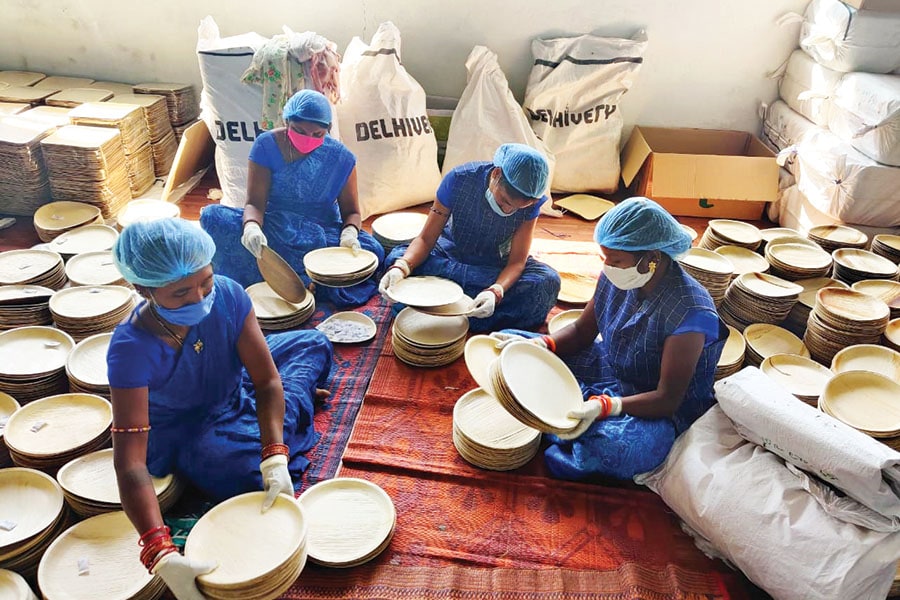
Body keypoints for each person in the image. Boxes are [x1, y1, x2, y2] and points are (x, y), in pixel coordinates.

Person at [106, 218, 332, 600]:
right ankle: (290, 410)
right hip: (188, 430)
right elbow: (130, 463)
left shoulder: (226, 295)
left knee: (313, 342)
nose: (199, 299)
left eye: (205, 282)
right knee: (245, 471)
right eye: (179, 294)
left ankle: (282, 420)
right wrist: (159, 549)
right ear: (142, 287)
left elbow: (265, 381)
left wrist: (274, 454)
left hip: (234, 384)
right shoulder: (130, 348)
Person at [493, 197, 727, 481]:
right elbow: (581, 332)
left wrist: (606, 406)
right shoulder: (618, 275)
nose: (607, 266)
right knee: (510, 344)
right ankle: (559, 417)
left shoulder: (692, 312)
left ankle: (549, 412)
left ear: (652, 259)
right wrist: (543, 345)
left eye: (615, 260)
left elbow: (667, 399)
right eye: (605, 258)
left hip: (653, 406)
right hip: (613, 365)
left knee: (621, 450)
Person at [200, 89, 384, 308]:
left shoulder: (341, 158)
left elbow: (352, 212)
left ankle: (284, 278)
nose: (308, 139)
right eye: (299, 131)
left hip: (321, 233)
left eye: (318, 134)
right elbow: (254, 203)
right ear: (286, 122)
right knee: (213, 217)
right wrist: (251, 227)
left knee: (373, 250)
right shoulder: (266, 145)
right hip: (276, 226)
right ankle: (310, 280)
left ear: (327, 130)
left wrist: (349, 233)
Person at [378, 143, 560, 332]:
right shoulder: (458, 179)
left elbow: (516, 262)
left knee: (547, 281)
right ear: (496, 175)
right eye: (505, 201)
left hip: (493, 266)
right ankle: (471, 313)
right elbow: (425, 239)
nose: (508, 210)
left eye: (517, 208)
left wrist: (496, 291)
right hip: (451, 252)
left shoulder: (532, 201)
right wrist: (402, 267)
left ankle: (436, 307)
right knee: (395, 257)